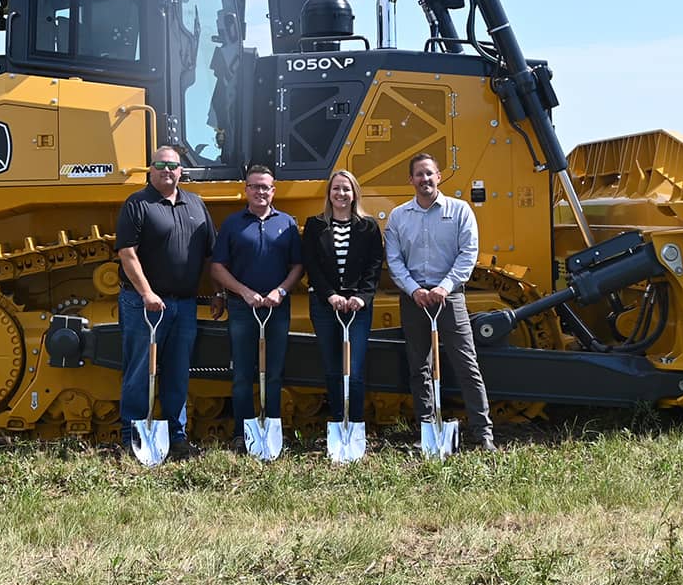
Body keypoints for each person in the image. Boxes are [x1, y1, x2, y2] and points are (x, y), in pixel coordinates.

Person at [116, 145, 222, 459]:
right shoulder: (137, 204)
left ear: (180, 171)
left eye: (173, 166)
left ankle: (177, 438)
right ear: (150, 169)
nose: (167, 170)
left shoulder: (196, 204)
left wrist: (217, 292)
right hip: (144, 305)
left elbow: (210, 255)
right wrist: (147, 293)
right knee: (139, 370)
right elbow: (127, 253)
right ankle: (133, 438)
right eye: (160, 164)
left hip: (185, 304)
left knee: (178, 372)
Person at [384, 152, 496, 451]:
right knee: (418, 367)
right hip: (414, 299)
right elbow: (393, 260)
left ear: (439, 176)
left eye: (429, 173)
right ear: (411, 180)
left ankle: (483, 434)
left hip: (450, 298)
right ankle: (428, 432)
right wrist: (414, 290)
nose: (425, 179)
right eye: (418, 174)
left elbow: (467, 254)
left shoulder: (460, 211)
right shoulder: (398, 216)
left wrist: (444, 288)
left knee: (466, 363)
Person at [210, 164, 303, 452]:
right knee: (241, 375)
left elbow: (298, 265)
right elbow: (216, 267)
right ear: (245, 189)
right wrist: (244, 292)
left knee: (274, 373)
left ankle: (271, 430)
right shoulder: (232, 224)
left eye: (265, 187)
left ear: (273, 191)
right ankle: (242, 433)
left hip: (277, 309)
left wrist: (281, 290)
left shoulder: (287, 223)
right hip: (241, 309)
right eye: (254, 186)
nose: (260, 191)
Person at [302, 170, 383, 424]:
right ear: (329, 193)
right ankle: (338, 421)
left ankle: (355, 422)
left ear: (354, 193)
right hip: (325, 306)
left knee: (355, 371)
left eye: (346, 189)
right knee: (333, 370)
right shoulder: (315, 225)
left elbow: (374, 264)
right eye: (336, 189)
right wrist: (330, 296)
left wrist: (363, 297)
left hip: (357, 308)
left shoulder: (368, 226)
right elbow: (311, 265)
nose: (341, 194)